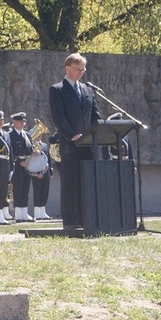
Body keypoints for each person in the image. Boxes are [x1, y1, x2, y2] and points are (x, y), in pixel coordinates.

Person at [48, 53, 101, 229]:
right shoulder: (57, 89)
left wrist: (97, 131)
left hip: (88, 146)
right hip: (70, 145)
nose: (81, 73)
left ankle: (88, 219)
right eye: (78, 69)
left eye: (83, 69)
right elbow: (59, 118)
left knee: (87, 183)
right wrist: (72, 135)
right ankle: (71, 221)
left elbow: (95, 116)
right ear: (67, 68)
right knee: (71, 184)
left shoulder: (87, 90)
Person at [8, 112, 34, 222]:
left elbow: (29, 149)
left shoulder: (27, 135)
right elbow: (10, 152)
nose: (22, 123)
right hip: (17, 166)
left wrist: (34, 152)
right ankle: (18, 213)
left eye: (23, 121)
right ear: (14, 122)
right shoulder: (10, 135)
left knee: (25, 189)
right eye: (20, 121)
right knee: (18, 189)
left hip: (27, 164)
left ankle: (25, 212)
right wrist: (18, 161)